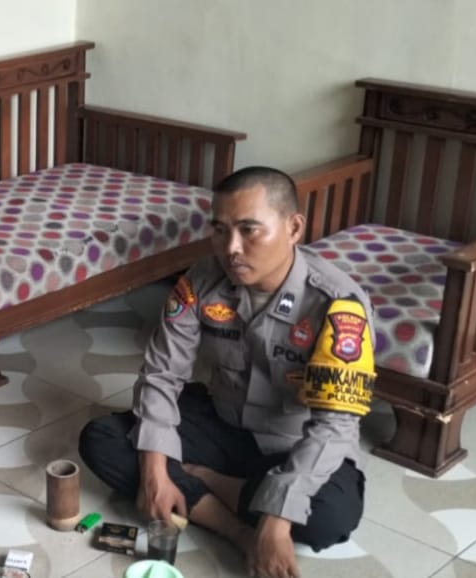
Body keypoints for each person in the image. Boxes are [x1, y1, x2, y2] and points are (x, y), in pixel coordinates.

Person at [80, 166, 375, 578]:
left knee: (330, 517)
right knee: (103, 440)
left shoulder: (337, 303)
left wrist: (278, 517)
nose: (231, 248)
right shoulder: (202, 280)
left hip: (294, 443)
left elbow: (335, 426)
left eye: (249, 230)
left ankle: (203, 481)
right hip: (222, 421)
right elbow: (162, 374)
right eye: (220, 230)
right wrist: (155, 472)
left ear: (293, 228)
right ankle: (236, 529)